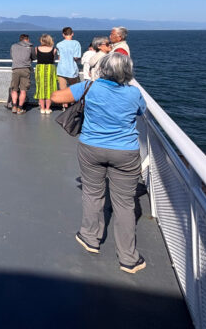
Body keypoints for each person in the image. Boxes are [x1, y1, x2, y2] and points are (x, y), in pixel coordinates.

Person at [51, 53, 148, 274]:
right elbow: (141, 112)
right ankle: (128, 259)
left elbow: (56, 96)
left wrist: (80, 97)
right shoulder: (134, 92)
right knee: (124, 204)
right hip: (125, 152)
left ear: (103, 69)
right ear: (127, 71)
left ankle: (90, 238)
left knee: (92, 194)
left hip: (91, 149)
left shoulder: (90, 87)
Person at [56, 27, 82, 108]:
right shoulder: (76, 43)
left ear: (63, 34)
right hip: (72, 69)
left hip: (61, 69)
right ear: (72, 33)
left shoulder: (59, 44)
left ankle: (65, 106)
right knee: (74, 89)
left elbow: (59, 57)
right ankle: (73, 106)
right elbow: (76, 57)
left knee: (63, 89)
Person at [9, 34, 35, 114]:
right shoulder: (30, 47)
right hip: (25, 69)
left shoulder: (13, 46)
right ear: (27, 39)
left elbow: (12, 56)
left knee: (14, 89)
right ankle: (20, 108)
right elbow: (34, 57)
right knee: (23, 90)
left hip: (15, 69)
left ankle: (14, 106)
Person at [34, 34, 58, 114]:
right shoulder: (53, 49)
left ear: (42, 40)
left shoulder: (36, 49)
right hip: (50, 69)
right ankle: (48, 108)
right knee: (49, 89)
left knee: (41, 88)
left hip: (40, 69)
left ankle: (42, 108)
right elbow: (53, 60)